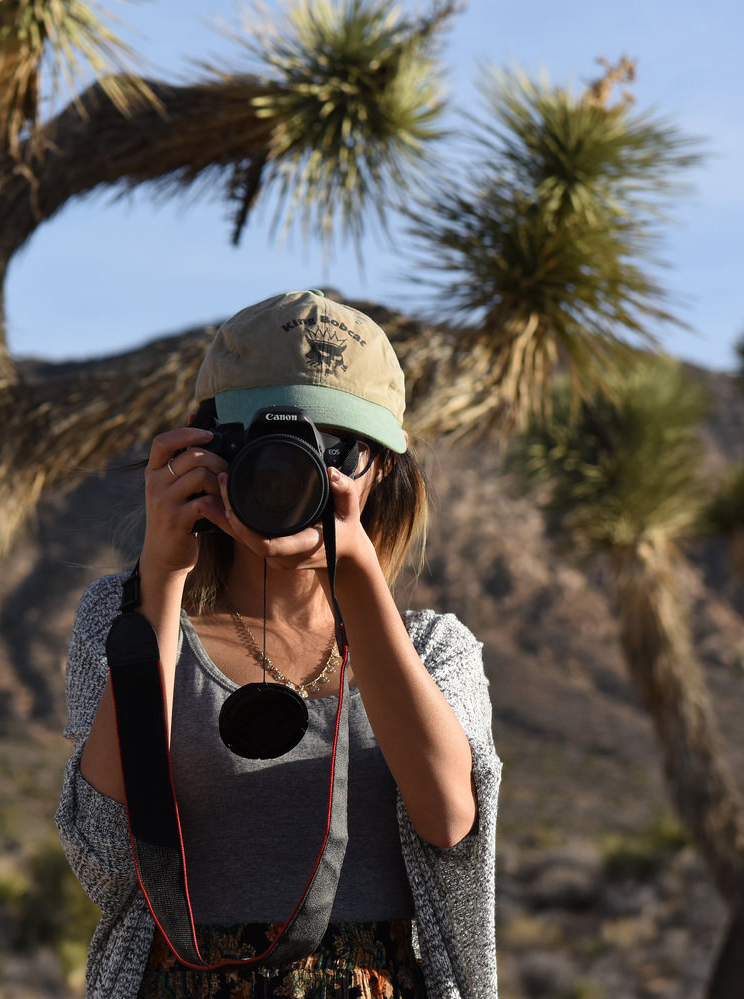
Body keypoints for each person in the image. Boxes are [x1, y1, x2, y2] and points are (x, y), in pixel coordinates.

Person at [56, 290, 501, 999]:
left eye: (338, 450)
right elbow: (106, 861)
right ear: (203, 449)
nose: (297, 473)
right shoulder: (122, 617)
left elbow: (450, 820)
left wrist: (353, 574)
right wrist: (161, 579)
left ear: (382, 468)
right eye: (265, 446)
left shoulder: (433, 647)